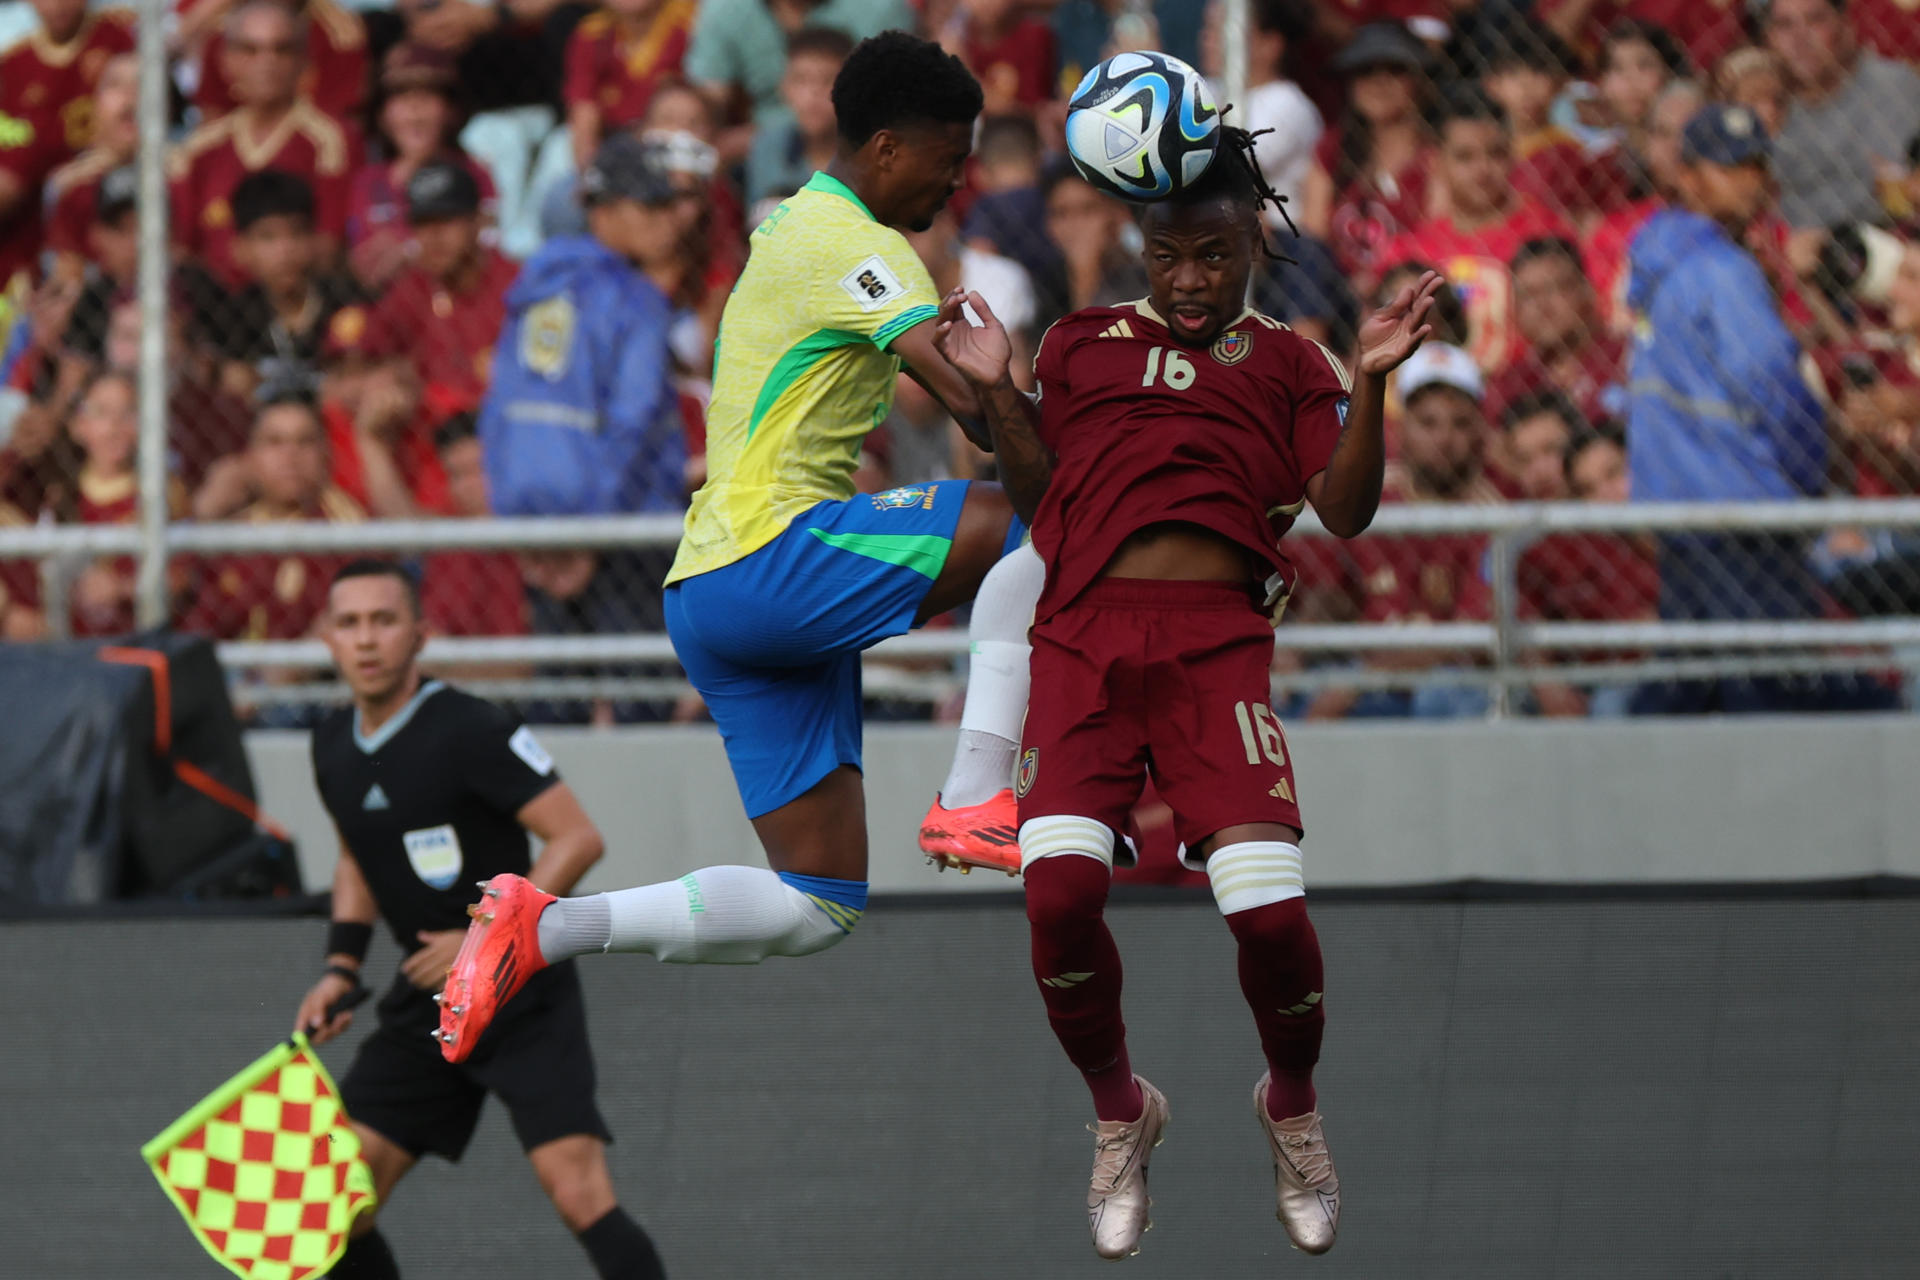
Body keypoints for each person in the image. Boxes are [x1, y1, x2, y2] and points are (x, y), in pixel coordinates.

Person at [432, 32, 1032, 1056]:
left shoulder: (798, 226)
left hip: (712, 594)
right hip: (770, 560)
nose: (959, 175)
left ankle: (548, 925)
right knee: (1036, 521)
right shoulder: (857, 243)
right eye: (949, 152)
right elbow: (984, 408)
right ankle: (978, 788)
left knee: (820, 900)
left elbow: (985, 416)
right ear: (889, 146)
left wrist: (1010, 406)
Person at [934, 124, 1442, 1257]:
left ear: (1251, 244)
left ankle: (1293, 1102)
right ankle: (1122, 1111)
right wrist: (999, 392)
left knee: (1268, 914)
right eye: (1171, 258)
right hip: (1082, 642)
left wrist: (1369, 383)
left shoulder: (1293, 363)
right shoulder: (1077, 345)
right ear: (1143, 250)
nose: (1193, 279)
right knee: (1057, 898)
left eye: (1214, 256)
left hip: (1216, 646)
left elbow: (1347, 512)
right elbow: (1037, 494)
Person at [295, 559, 666, 1280]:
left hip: (518, 990)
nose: (367, 640)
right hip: (428, 1003)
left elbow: (578, 838)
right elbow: (353, 857)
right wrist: (341, 965)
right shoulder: (330, 744)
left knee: (577, 1192)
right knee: (334, 1201)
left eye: (384, 620)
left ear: (420, 634)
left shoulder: (470, 726)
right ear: (325, 637)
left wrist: (482, 937)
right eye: (349, 623)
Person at [1625, 103, 1881, 713]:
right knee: (1769, 685)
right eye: (1726, 167)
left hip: (1680, 505)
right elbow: (1771, 385)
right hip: (1742, 504)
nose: (1747, 181)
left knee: (1695, 683)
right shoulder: (1724, 270)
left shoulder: (1656, 259)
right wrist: (1809, 470)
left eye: (1754, 167)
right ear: (1687, 176)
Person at [478, 133, 685, 516]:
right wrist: (593, 517)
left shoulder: (532, 289)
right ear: (602, 212)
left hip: (526, 514)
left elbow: (500, 408)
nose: (668, 220)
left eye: (670, 205)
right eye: (650, 206)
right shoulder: (635, 298)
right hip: (623, 522)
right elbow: (634, 417)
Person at [1375, 86, 1575, 375]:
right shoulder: (1406, 251)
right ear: (1437, 162)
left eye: (1495, 154)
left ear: (1513, 154)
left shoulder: (1548, 234)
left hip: (1528, 391)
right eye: (1465, 157)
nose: (1483, 170)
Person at [169, 0, 358, 286]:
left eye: (281, 50)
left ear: (303, 60)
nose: (266, 62)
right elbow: (183, 249)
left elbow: (330, 246)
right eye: (250, 50)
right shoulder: (198, 151)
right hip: (214, 311)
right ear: (226, 60)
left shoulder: (332, 141)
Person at [0, 0, 135, 291]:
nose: (58, 4)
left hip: (111, 181)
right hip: (36, 215)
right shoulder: (12, 64)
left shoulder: (120, 35)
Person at [1763, 0, 1920, 229]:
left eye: (1815, 20)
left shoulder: (1895, 88)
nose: (1800, 38)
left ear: (1845, 25)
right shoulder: (1761, 103)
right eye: (1784, 25)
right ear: (1769, 37)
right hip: (1788, 253)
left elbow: (1901, 197)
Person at [564, 0, 697, 173]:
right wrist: (592, 178)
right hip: (611, 146)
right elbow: (584, 121)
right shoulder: (591, 34)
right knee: (559, 154)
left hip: (677, 149)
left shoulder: (691, 27)